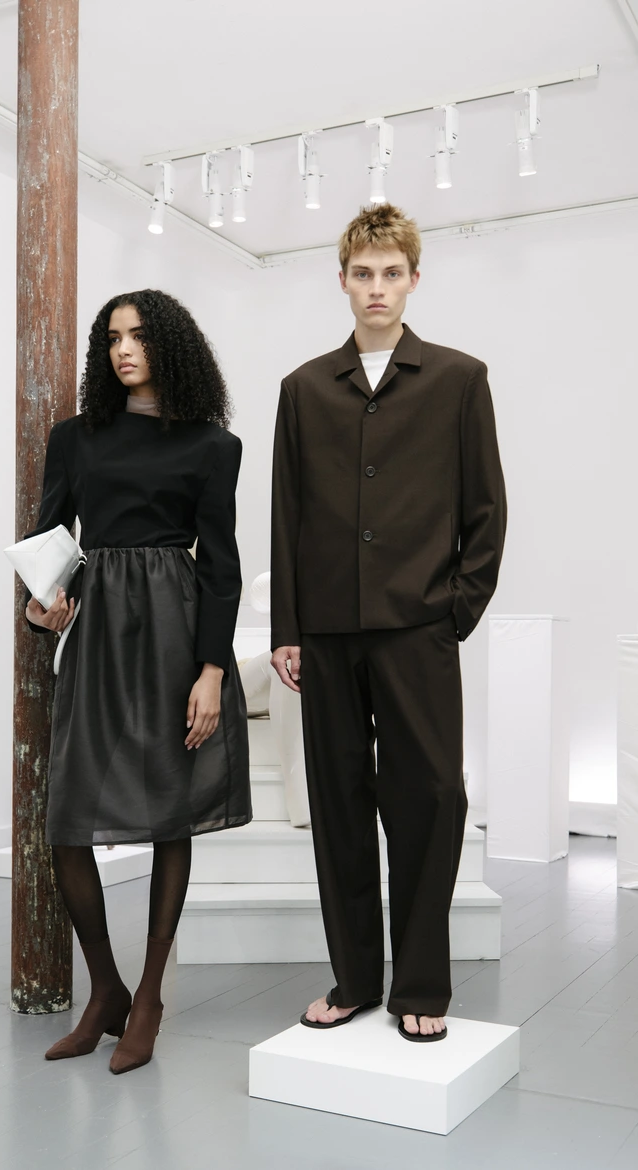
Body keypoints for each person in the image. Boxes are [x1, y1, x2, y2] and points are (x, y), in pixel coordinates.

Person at [270, 203, 506, 1042]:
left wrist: (453, 614)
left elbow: (486, 511)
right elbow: (287, 514)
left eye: (391, 273)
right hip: (328, 632)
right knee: (338, 805)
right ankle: (354, 980)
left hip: (418, 628)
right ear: (342, 281)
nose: (377, 288)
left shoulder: (458, 380)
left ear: (413, 279)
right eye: (363, 274)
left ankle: (421, 984)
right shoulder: (303, 390)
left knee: (432, 799)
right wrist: (288, 627)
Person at [25, 289, 251, 1073]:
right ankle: (106, 991)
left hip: (174, 634)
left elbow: (221, 566)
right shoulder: (75, 439)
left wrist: (212, 670)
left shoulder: (213, 446)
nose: (123, 349)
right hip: (96, 635)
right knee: (67, 820)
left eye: (139, 336)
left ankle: (149, 996)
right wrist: (42, 605)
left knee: (169, 814)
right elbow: (49, 542)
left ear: (171, 346)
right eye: (113, 337)